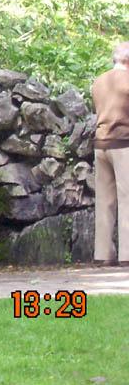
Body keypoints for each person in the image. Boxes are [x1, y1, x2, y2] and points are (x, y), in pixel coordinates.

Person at [91, 41, 129, 267]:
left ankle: (103, 254)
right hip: (124, 145)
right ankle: (127, 255)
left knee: (104, 201)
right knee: (127, 199)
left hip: (100, 144)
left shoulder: (98, 82)